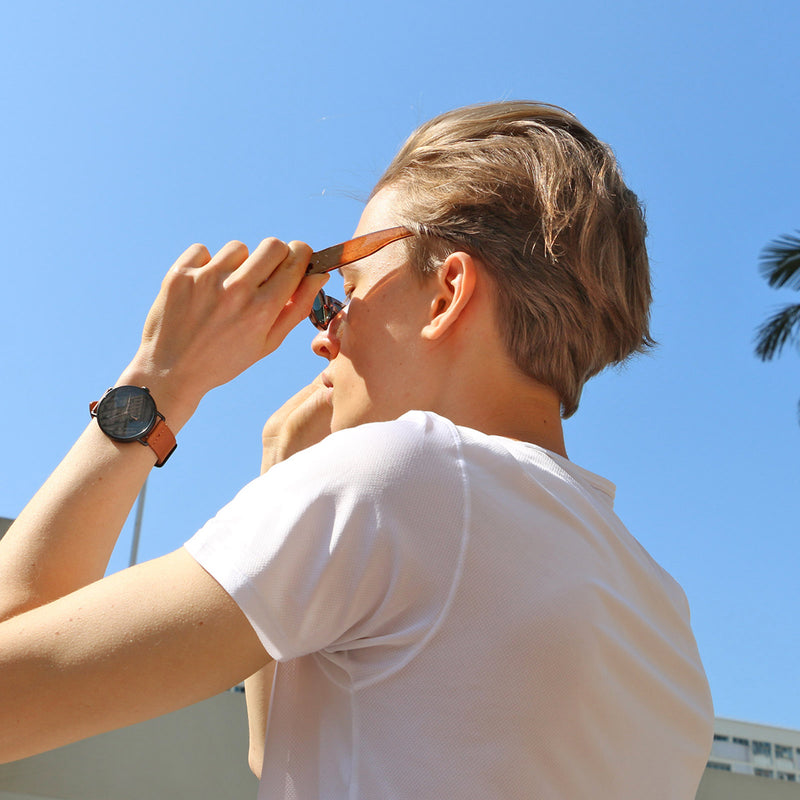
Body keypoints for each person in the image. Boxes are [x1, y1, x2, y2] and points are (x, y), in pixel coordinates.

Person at [0, 101, 713, 798]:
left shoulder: (403, 479)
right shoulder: (659, 611)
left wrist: (159, 381)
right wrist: (283, 468)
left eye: (341, 292)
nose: (323, 335)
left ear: (447, 295)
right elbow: (278, 750)